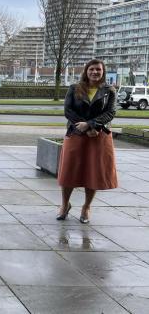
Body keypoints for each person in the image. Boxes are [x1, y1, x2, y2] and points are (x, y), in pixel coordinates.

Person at [56, 58, 118, 224]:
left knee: (93, 172)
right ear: (86, 71)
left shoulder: (109, 90)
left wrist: (92, 125)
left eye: (98, 69)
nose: (95, 72)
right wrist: (82, 125)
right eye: (92, 69)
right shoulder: (75, 88)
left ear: (103, 72)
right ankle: (64, 205)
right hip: (76, 133)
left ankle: (86, 207)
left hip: (98, 136)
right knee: (69, 171)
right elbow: (68, 110)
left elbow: (111, 113)